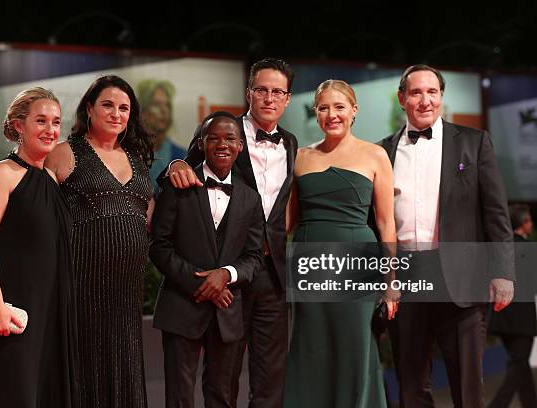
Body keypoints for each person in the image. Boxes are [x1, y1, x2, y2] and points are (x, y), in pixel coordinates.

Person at [164, 58, 298, 407]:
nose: (269, 98)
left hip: (272, 272)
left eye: (277, 92)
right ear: (249, 93)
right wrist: (173, 165)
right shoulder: (224, 131)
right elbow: (188, 164)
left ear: (287, 98)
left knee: (271, 376)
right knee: (223, 375)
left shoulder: (291, 143)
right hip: (226, 274)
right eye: (262, 90)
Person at [380, 64, 515, 407]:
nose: (425, 100)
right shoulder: (382, 152)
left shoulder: (474, 142)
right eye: (416, 92)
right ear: (402, 98)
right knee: (411, 385)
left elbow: (496, 213)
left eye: (432, 92)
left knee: (467, 386)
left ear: (441, 96)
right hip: (406, 277)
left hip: (463, 277)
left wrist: (503, 272)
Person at [284, 80, 397, 407]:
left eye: (339, 107)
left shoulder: (375, 155)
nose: (331, 114)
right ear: (315, 112)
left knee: (354, 346)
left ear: (354, 111)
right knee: (310, 348)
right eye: (323, 108)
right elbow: (288, 223)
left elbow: (386, 223)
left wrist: (391, 282)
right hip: (308, 264)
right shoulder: (302, 157)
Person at [0, 87, 75, 407]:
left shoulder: (51, 181)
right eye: (41, 121)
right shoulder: (0, 175)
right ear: (18, 125)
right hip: (10, 306)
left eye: (55, 122)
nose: (51, 130)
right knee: (6, 393)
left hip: (48, 308)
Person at [45, 75, 154, 408]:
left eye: (124, 108)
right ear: (89, 108)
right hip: (81, 285)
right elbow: (35, 206)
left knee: (125, 366)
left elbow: (147, 219)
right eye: (107, 105)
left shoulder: (138, 160)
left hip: (127, 292)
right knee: (84, 368)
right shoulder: (65, 152)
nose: (116, 113)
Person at [150, 111, 264, 408]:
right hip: (181, 305)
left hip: (227, 311)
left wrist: (225, 275)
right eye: (214, 138)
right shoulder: (177, 184)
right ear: (201, 143)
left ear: (240, 146)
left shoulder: (251, 198)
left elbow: (253, 257)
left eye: (230, 138)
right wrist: (198, 282)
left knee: (223, 396)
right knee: (179, 397)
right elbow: (158, 246)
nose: (222, 144)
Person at [488, 204, 536, 408]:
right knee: (517, 364)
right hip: (523, 320)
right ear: (525, 223)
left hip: (502, 317)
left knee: (520, 364)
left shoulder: (503, 248)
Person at [137, 79, 187, 187]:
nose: (164, 111)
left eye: (167, 105)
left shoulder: (182, 157)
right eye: (156, 104)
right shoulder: (126, 153)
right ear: (143, 110)